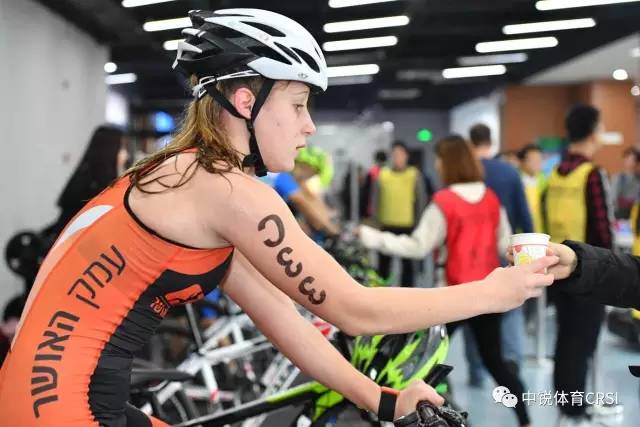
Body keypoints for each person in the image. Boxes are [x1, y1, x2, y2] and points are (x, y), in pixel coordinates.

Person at [0, 9, 558, 427]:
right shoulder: (225, 188)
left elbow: (287, 323)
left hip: (48, 395)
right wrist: (491, 292)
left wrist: (384, 401)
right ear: (247, 101)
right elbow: (355, 309)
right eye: (297, 104)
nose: (309, 125)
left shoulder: (190, 175)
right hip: (64, 405)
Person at [358, 135, 532, 426]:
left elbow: (417, 246)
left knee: (425, 362)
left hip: (453, 296)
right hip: (488, 294)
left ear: (449, 162)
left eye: (439, 159)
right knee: (495, 362)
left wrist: (369, 236)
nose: (437, 165)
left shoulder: (444, 201)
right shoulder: (491, 199)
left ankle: (428, 414)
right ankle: (525, 419)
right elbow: (505, 243)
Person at [543, 103, 613, 426]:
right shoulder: (592, 174)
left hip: (557, 268)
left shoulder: (555, 174)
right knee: (583, 342)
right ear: (593, 131)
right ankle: (576, 409)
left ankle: (565, 403)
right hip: (589, 270)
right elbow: (603, 227)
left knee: (565, 338)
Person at [467, 124, 532, 385]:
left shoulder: (466, 173)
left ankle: (477, 372)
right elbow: (524, 215)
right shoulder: (509, 172)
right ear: (491, 141)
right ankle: (512, 362)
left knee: (473, 312)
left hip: (472, 257)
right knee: (512, 307)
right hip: (507, 252)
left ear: (470, 142)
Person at [42, 125, 129, 240]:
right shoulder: (94, 187)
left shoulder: (89, 177)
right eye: (122, 148)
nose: (125, 155)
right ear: (109, 150)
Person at [372, 141, 428, 286]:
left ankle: (407, 293)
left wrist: (419, 225)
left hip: (407, 226)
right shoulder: (383, 174)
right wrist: (375, 223)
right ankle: (382, 292)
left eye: (400, 154)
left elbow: (420, 201)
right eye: (394, 154)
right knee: (383, 266)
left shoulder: (414, 175)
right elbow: (376, 200)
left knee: (408, 266)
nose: (397, 157)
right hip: (386, 225)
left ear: (406, 156)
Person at [517, 144, 546, 233]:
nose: (537, 163)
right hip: (521, 232)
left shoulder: (544, 180)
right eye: (533, 160)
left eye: (539, 159)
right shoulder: (516, 180)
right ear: (522, 162)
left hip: (541, 231)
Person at [611, 147, 640, 220]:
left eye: (632, 160)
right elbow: (613, 198)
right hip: (619, 215)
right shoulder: (617, 178)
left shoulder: (638, 179)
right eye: (627, 159)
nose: (629, 162)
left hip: (635, 215)